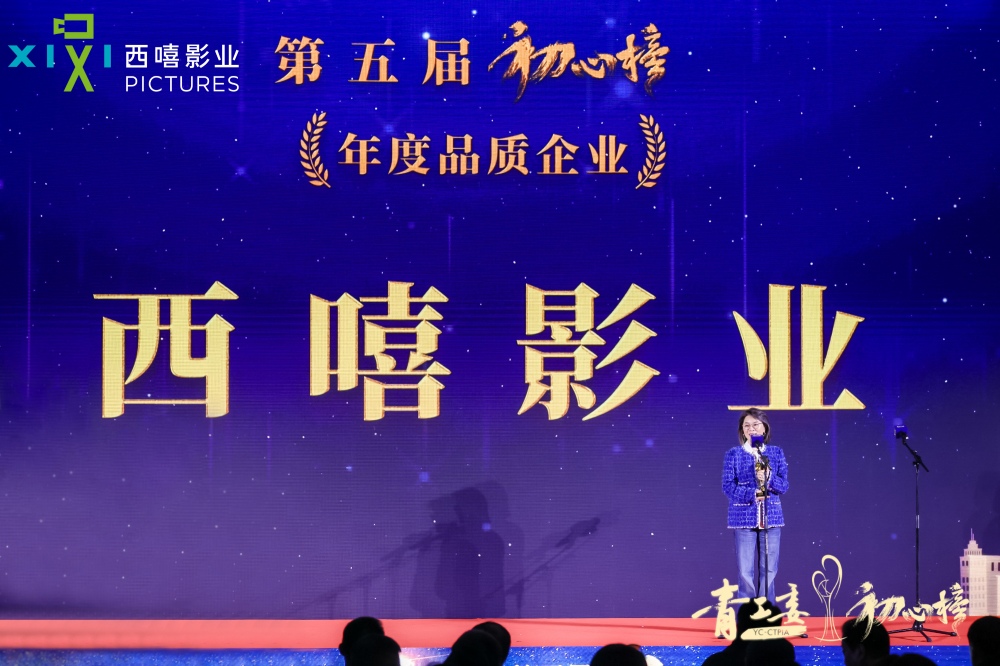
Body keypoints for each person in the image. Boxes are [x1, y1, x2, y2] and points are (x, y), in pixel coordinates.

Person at [722, 408, 789, 602]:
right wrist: (752, 494)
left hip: (771, 519)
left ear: (764, 428)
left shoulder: (775, 453)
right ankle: (748, 614)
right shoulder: (733, 454)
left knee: (769, 569)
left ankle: (767, 613)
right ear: (742, 430)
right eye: (747, 426)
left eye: (755, 424)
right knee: (745, 571)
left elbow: (784, 486)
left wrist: (769, 478)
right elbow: (728, 486)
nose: (751, 429)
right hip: (743, 519)